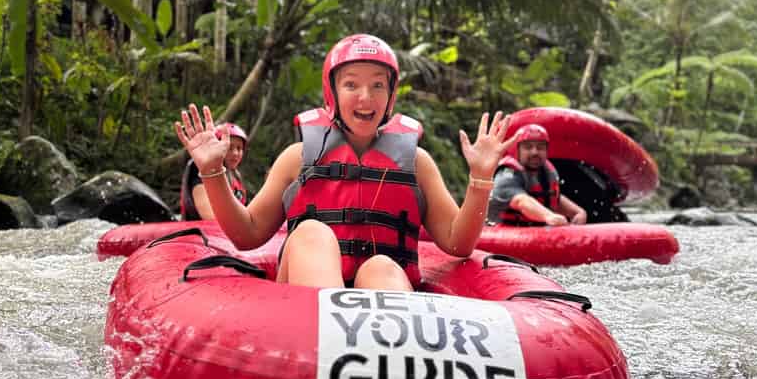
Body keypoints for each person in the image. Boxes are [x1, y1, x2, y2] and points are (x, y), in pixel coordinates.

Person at [175, 33, 519, 291]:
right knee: (311, 234)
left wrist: (481, 177)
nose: (366, 97)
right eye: (351, 84)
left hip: (380, 289)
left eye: (378, 85)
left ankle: (389, 364)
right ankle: (326, 331)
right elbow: (247, 235)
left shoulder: (417, 162)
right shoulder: (297, 158)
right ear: (333, 93)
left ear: (391, 95)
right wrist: (211, 171)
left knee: (382, 266)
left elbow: (458, 243)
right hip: (302, 297)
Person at [486, 124, 587, 226]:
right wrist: (549, 216)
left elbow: (552, 197)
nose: (535, 152)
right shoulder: (506, 174)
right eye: (528, 147)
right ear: (517, 150)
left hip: (532, 235)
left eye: (540, 147)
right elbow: (521, 201)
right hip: (501, 235)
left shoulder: (546, 172)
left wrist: (577, 212)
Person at [180, 122, 249, 220]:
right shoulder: (201, 168)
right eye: (229, 147)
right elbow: (209, 217)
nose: (235, 153)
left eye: (239, 148)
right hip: (200, 231)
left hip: (229, 230)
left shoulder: (235, 175)